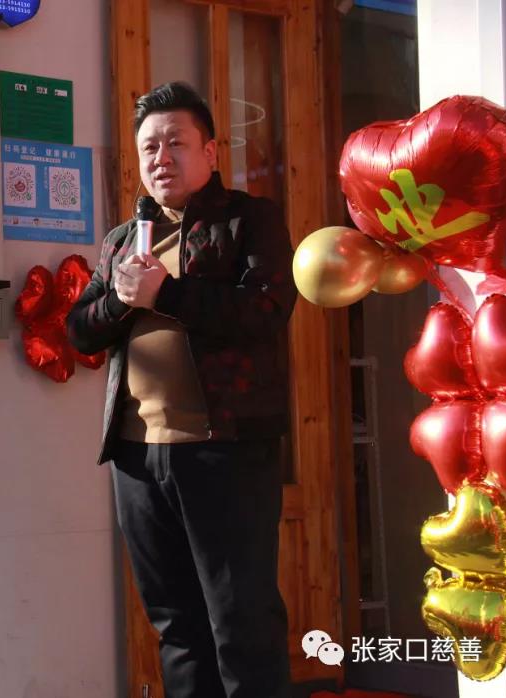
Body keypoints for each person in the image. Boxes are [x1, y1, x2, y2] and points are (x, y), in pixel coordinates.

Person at [67, 82, 296, 698]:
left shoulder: (250, 220)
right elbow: (79, 330)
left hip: (225, 450)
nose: (161, 158)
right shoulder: (123, 239)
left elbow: (266, 311)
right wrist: (121, 299)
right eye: (149, 147)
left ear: (210, 153)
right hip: (137, 457)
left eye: (176, 143)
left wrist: (165, 294)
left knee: (241, 622)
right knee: (175, 626)